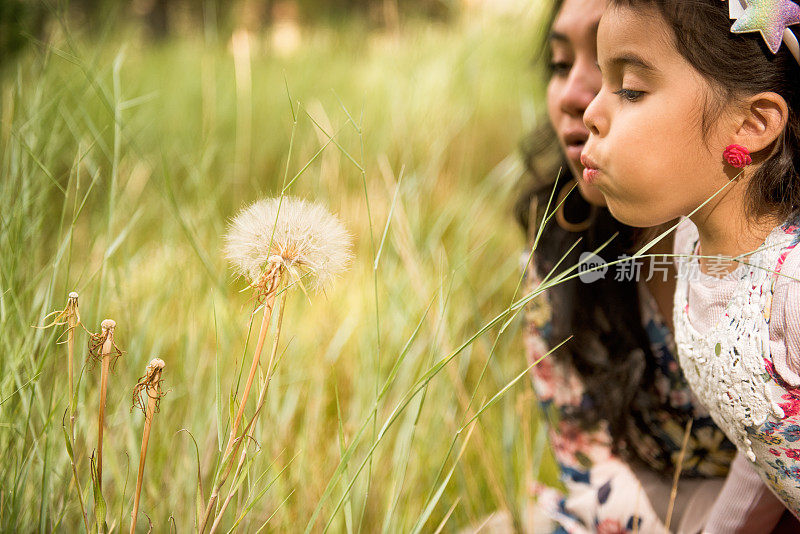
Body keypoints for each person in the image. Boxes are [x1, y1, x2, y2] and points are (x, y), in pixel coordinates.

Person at [508, 0, 738, 532]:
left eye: (627, 79)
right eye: (561, 64)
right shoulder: (560, 259)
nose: (573, 97)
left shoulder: (780, 265)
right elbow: (590, 464)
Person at [581, 0, 800, 530]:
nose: (590, 112)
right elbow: (766, 434)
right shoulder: (689, 246)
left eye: (630, 89)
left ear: (751, 123)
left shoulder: (790, 291)